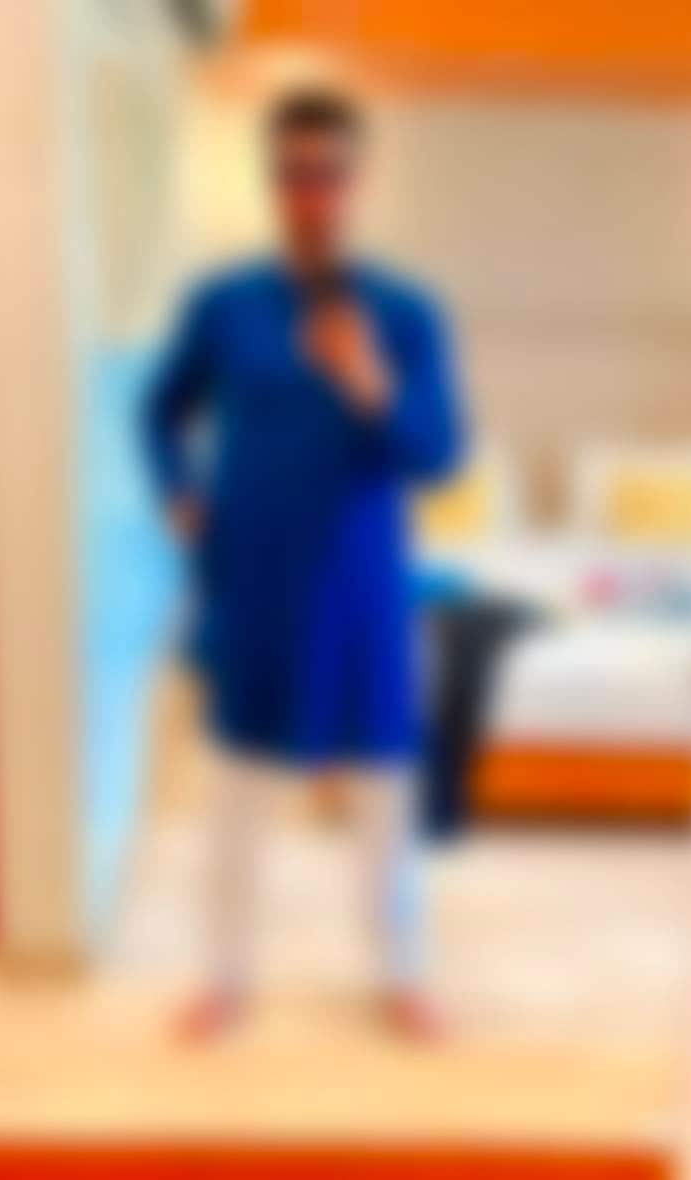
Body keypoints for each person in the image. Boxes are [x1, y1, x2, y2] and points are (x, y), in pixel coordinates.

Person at [144, 88, 464, 1041]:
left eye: (327, 174)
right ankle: (225, 976)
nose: (310, 194)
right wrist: (176, 490)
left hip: (363, 592)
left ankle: (401, 973)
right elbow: (159, 408)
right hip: (251, 587)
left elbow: (438, 455)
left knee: (384, 798)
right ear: (272, 182)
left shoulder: (404, 313)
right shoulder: (223, 305)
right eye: (292, 175)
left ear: (356, 182)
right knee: (235, 799)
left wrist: (368, 379)